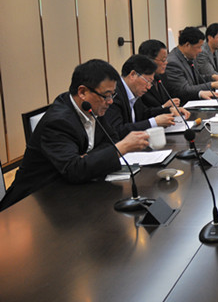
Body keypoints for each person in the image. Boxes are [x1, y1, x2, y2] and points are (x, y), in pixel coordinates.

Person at [0, 60, 149, 211]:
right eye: (106, 96)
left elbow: (112, 138)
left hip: (69, 191)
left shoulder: (93, 106)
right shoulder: (58, 122)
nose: (110, 101)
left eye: (112, 94)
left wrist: (87, 158)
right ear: (82, 92)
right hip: (32, 203)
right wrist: (121, 148)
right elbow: (74, 169)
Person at [103, 55, 181, 140]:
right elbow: (118, 130)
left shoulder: (133, 90)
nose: (149, 87)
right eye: (148, 81)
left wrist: (169, 110)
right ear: (133, 75)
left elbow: (144, 114)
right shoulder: (114, 94)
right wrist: (154, 122)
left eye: (151, 83)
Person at [164, 27, 218, 103]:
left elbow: (196, 79)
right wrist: (211, 85)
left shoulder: (189, 56)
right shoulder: (173, 63)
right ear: (187, 45)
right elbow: (183, 90)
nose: (200, 50)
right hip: (184, 104)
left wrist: (213, 77)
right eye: (198, 47)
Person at [137, 39, 185, 113]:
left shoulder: (161, 75)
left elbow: (173, 94)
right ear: (149, 60)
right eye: (163, 60)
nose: (166, 62)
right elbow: (142, 113)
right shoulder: (139, 81)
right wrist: (163, 107)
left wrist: (175, 102)